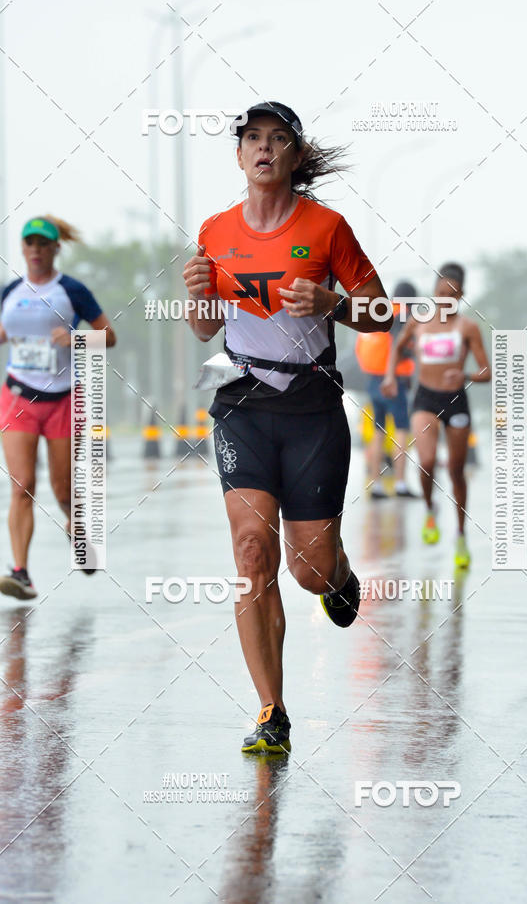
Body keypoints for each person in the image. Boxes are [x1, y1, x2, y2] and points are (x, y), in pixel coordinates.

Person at [183, 101, 391, 754]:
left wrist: (335, 303)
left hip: (312, 410)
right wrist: (197, 298)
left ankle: (338, 576)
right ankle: (271, 711)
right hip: (243, 402)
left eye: (278, 139)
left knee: (307, 569)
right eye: (252, 139)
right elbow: (204, 328)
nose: (264, 148)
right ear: (240, 156)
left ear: (296, 156)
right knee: (251, 550)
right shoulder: (214, 231)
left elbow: (383, 314)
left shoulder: (327, 228)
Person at [0, 215, 116, 599]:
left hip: (64, 398)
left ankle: (76, 527)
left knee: (63, 489)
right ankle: (20, 572)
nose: (35, 250)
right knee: (22, 486)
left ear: (55, 249)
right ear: (23, 248)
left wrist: (76, 338)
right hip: (18, 396)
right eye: (29, 243)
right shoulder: (11, 292)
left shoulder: (71, 290)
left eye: (43, 244)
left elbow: (108, 336)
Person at [381, 263, 490, 569]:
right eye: (440, 293)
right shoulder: (419, 322)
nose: (445, 300)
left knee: (456, 471)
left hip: (456, 400)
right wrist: (390, 377)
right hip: (425, 398)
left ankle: (460, 534)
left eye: (452, 295)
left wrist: (466, 374)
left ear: (461, 295)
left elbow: (487, 371)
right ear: (434, 293)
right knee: (426, 461)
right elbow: (396, 349)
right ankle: (430, 510)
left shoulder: (468, 328)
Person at [356, 280, 418, 499]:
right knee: (402, 429)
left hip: (373, 379)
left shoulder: (379, 312)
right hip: (394, 380)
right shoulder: (403, 317)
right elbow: (402, 348)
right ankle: (401, 484)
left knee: (378, 430)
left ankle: (377, 486)